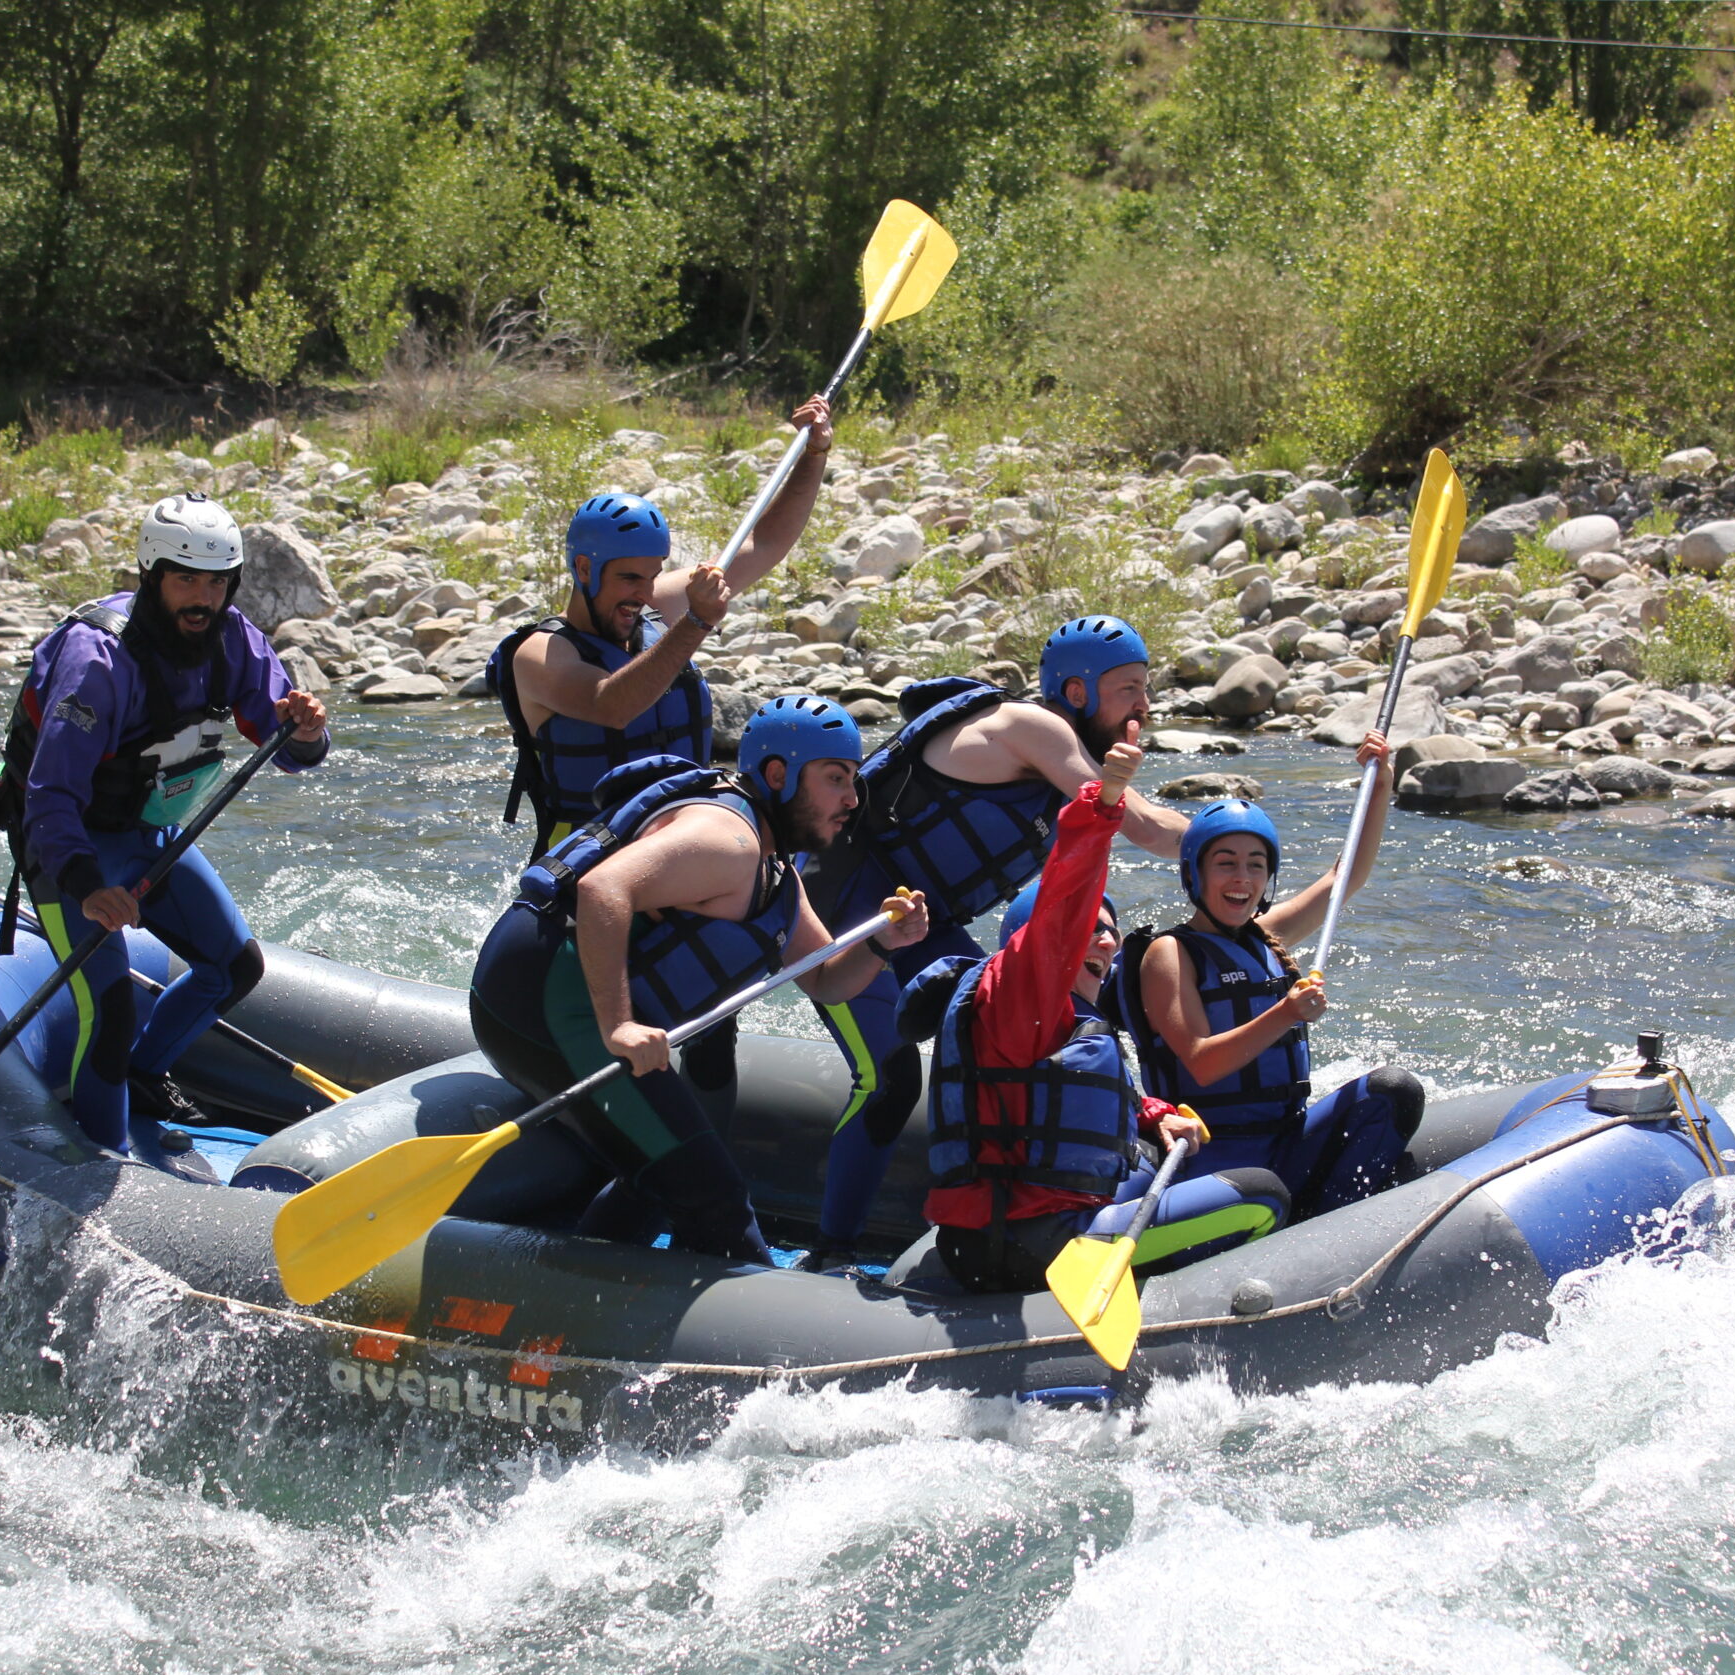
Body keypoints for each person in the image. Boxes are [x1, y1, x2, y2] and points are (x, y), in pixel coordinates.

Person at [469, 696, 930, 1264]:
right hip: (542, 998)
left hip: (566, 1006)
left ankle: (579, 1300)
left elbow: (827, 981)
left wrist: (885, 942)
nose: (851, 799)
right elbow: (603, 889)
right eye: (836, 779)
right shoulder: (727, 839)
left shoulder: (774, 869)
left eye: (854, 781)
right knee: (713, 1195)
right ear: (779, 775)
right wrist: (620, 1028)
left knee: (664, 1179)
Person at [799, 614, 1193, 1268]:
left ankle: (1011, 1199)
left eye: (1145, 689)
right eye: (1128, 689)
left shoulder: (1058, 745)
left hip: (921, 920)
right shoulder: (1034, 728)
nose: (1144, 706)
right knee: (890, 1078)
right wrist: (1236, 838)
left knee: (1013, 1046)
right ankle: (831, 1250)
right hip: (846, 912)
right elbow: (1144, 826)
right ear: (1076, 693)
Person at [0, 493, 329, 1171]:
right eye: (186, 580)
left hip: (149, 833)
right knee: (111, 1004)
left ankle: (143, 1073)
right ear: (153, 575)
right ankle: (104, 1156)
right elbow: (49, 796)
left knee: (235, 966)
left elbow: (287, 748)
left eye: (215, 582)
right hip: (69, 849)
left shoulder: (232, 640)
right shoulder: (98, 661)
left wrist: (309, 730)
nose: (202, 599)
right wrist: (88, 888)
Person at [898, 730, 1287, 1295]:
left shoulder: (1062, 1023)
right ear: (1041, 942)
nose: (1105, 942)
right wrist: (1105, 800)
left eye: (1110, 931)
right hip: (1038, 1242)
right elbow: (1068, 890)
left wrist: (1153, 1114)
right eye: (1088, 931)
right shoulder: (1020, 992)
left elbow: (1080, 1100)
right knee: (1261, 1196)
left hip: (1011, 1229)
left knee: (1152, 1157)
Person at [488, 397, 836, 863]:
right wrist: (696, 621)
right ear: (585, 569)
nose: (644, 593)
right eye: (629, 578)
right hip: (593, 857)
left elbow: (764, 543)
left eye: (653, 576)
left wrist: (814, 456)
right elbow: (613, 704)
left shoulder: (652, 606)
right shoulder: (539, 656)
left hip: (687, 833)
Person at [1110, 741, 1425, 1219]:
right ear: (1195, 874)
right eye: (1226, 862)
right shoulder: (1169, 954)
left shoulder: (1267, 936)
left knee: (1394, 1091)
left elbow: (1347, 876)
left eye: (1256, 864)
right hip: (1213, 1154)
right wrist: (1286, 1014)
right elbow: (1201, 1063)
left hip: (1286, 1137)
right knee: (1260, 1189)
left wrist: (1380, 786)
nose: (1242, 877)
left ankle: (1336, 1224)